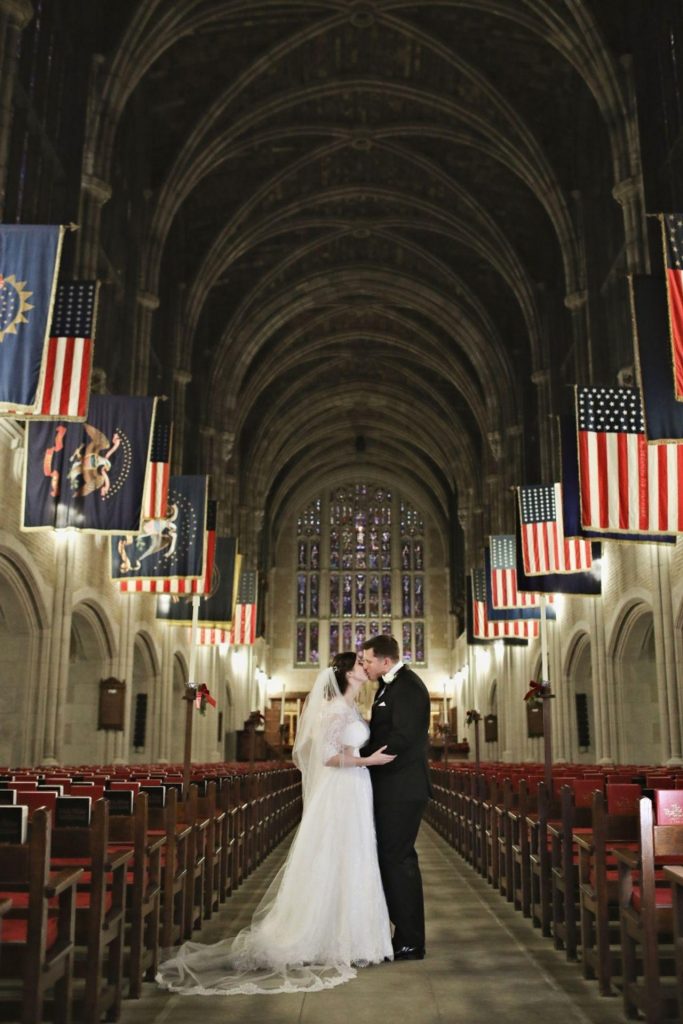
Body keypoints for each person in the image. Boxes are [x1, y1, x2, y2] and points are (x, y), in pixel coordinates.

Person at [156, 652, 395, 996]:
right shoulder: (334, 709)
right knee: (334, 854)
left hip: (354, 787)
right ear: (346, 674)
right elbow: (327, 755)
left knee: (354, 855)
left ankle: (353, 935)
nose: (366, 667)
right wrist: (367, 760)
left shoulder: (351, 707)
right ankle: (324, 935)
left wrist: (362, 763)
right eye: (360, 664)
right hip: (341, 789)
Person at [360, 634, 432, 961]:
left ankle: (411, 940)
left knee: (399, 860)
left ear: (386, 661)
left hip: (402, 788)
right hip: (390, 787)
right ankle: (400, 931)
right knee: (391, 859)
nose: (365, 665)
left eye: (369, 660)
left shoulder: (409, 687)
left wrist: (366, 760)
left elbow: (404, 737)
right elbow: (383, 732)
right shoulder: (388, 686)